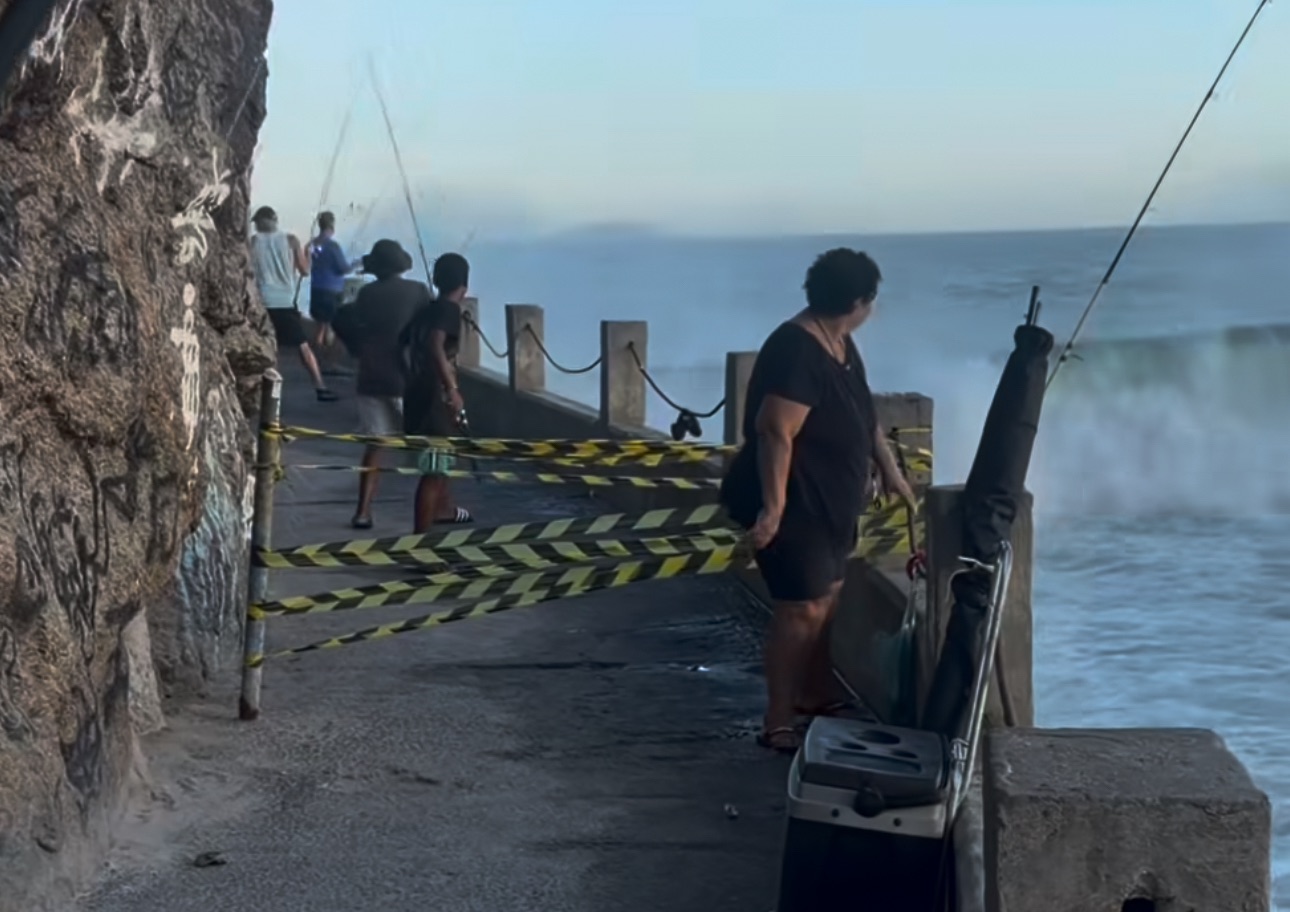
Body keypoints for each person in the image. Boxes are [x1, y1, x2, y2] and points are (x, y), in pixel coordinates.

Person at [719, 248, 917, 754]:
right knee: (799, 611)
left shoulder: (841, 343)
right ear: (858, 300)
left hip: (832, 503)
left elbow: (863, 414)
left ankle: (814, 692)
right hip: (796, 505)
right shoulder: (797, 349)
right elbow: (775, 432)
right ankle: (778, 719)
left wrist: (890, 470)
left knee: (827, 600)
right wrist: (772, 510)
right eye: (871, 299)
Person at [345, 239, 431, 529]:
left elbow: (347, 320)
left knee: (375, 446)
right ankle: (438, 507)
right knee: (432, 448)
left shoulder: (367, 294)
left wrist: (356, 349)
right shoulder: (418, 291)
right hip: (406, 379)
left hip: (370, 378)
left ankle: (363, 511)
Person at [400, 252, 475, 532]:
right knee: (433, 469)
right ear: (464, 286)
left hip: (418, 392)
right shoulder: (448, 310)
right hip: (434, 398)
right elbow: (435, 344)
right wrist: (451, 388)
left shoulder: (426, 310)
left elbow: (403, 344)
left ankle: (443, 509)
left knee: (441, 462)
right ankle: (421, 542)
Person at [249, 205, 339, 402]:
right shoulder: (291, 240)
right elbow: (305, 270)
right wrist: (308, 253)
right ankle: (320, 387)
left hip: (262, 302)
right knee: (303, 347)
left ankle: (269, 393)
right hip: (285, 301)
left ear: (261, 222)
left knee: (268, 348)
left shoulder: (253, 242)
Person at [307, 211, 358, 350]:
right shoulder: (333, 246)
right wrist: (356, 264)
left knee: (320, 325)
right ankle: (328, 356)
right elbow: (343, 268)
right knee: (330, 325)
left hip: (316, 289)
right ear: (332, 226)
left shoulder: (312, 244)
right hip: (332, 291)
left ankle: (317, 353)